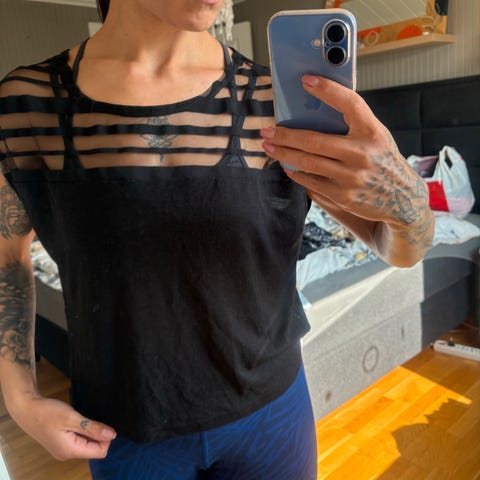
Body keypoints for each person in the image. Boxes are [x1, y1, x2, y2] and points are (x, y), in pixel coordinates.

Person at [0, 0, 434, 479]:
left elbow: (400, 249)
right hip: (126, 428)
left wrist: (409, 199)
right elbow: (8, 258)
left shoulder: (277, 100)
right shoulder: (27, 106)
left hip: (273, 417)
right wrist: (21, 401)